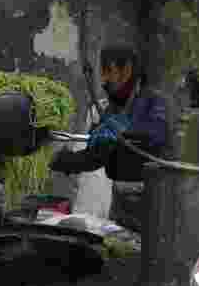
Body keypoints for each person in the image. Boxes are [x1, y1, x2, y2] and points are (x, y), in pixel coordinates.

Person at [49, 45, 169, 231]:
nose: (103, 80)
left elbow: (155, 138)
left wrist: (117, 138)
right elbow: (94, 156)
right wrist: (63, 160)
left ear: (127, 70)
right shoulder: (109, 110)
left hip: (154, 205)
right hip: (122, 206)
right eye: (102, 72)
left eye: (108, 71)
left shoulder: (153, 104)